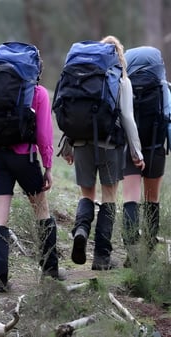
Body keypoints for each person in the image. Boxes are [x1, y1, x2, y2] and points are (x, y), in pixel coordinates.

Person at [63, 35, 145, 270]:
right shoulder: (120, 79)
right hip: (109, 145)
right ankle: (101, 257)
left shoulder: (81, 77)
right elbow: (127, 118)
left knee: (86, 194)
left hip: (80, 142)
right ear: (119, 56)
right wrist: (136, 152)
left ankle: (81, 229)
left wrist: (68, 146)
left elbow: (72, 113)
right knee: (109, 197)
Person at [0, 50, 63, 293]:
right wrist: (48, 166)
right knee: (41, 210)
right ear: (35, 70)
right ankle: (49, 271)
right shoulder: (37, 93)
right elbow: (44, 135)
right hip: (24, 158)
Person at [122, 46, 171, 265]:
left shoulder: (124, 87)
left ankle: (131, 252)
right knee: (152, 200)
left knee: (130, 198)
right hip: (155, 150)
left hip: (130, 151)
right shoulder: (164, 88)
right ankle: (148, 250)